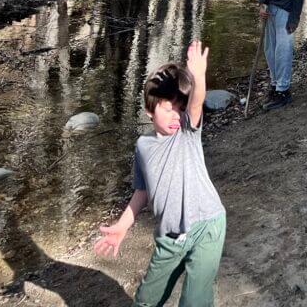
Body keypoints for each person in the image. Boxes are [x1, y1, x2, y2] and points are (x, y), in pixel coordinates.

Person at [94, 41, 226, 306]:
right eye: (168, 108)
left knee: (195, 301)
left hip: (207, 226)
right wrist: (122, 226)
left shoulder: (187, 132)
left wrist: (198, 76)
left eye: (180, 107)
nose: (176, 115)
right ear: (149, 111)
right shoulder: (143, 147)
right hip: (169, 238)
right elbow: (142, 191)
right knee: (145, 300)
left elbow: (196, 104)